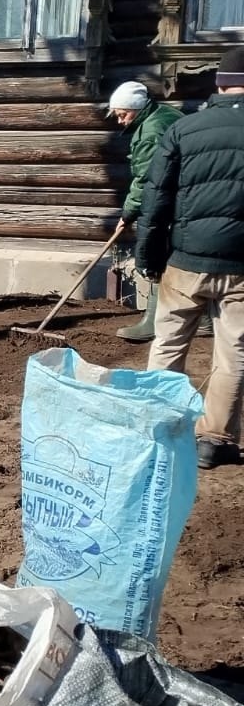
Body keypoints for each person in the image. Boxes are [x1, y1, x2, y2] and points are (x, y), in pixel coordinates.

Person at [136, 45, 244, 469]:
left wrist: (149, 255)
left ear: (219, 85)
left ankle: (158, 427)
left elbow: (155, 197)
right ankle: (213, 441)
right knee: (234, 354)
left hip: (185, 260)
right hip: (241, 267)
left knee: (168, 344)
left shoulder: (184, 130)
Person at [105, 80, 183, 342]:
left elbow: (146, 178)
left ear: (136, 108)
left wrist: (128, 213)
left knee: (156, 252)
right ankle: (203, 319)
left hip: (168, 203)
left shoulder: (151, 131)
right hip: (184, 200)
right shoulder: (166, 115)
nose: (120, 121)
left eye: (122, 114)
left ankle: (153, 321)